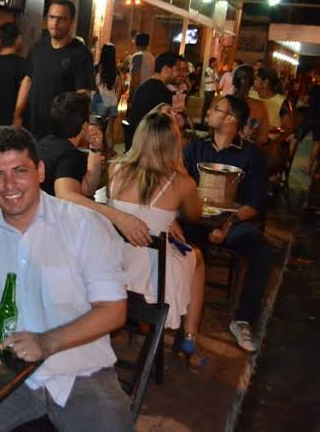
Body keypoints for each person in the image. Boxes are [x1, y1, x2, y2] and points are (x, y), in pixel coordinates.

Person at [0, 126, 132, 432]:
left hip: (81, 372)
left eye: (20, 171)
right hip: (1, 374)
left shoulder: (84, 225)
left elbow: (113, 310)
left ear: (40, 171)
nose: (10, 185)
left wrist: (47, 342)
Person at [108, 109, 207, 366]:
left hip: (112, 270)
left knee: (169, 254)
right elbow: (195, 215)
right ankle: (190, 337)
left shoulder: (115, 168)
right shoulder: (182, 183)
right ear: (173, 144)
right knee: (196, 258)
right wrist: (180, 167)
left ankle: (142, 326)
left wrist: (167, 219)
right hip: (150, 278)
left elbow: (135, 207)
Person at [183, 96, 272, 352]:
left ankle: (242, 320)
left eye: (216, 109)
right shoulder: (196, 148)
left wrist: (225, 225)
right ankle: (179, 308)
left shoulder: (251, 156)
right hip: (194, 220)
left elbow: (252, 206)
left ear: (231, 119)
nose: (209, 111)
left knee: (262, 250)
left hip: (232, 224)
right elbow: (179, 187)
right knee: (178, 237)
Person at [37, 92, 152, 248]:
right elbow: (66, 195)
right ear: (84, 124)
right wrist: (118, 216)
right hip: (57, 237)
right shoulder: (70, 155)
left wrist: (95, 149)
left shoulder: (44, 144)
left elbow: (87, 189)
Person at [25, 0, 95, 139]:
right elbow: (27, 80)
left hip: (61, 132)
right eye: (52, 17)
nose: (55, 23)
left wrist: (79, 133)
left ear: (71, 21)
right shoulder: (38, 47)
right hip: (31, 126)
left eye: (61, 19)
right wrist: (17, 115)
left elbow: (83, 96)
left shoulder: (81, 54)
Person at [125, 51, 180, 151]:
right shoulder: (163, 92)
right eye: (177, 70)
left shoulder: (144, 86)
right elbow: (165, 128)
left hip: (136, 141)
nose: (179, 74)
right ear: (166, 69)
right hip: (149, 146)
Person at [232, 65, 270, 149]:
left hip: (222, 152)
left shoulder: (221, 103)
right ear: (252, 83)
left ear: (233, 81)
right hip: (247, 152)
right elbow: (263, 138)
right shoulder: (260, 106)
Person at [200, 57, 218, 127]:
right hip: (208, 89)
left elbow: (217, 78)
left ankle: (206, 120)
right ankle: (202, 120)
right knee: (206, 105)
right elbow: (213, 78)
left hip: (212, 89)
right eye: (215, 62)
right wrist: (215, 81)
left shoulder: (214, 70)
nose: (216, 64)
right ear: (212, 62)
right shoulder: (208, 69)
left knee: (209, 105)